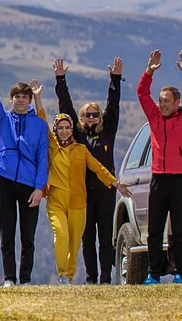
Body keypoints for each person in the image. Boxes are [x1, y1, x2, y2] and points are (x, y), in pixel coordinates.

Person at [35, 55, 124, 282]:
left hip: (105, 192)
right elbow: (66, 107)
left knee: (105, 238)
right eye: (88, 115)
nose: (92, 117)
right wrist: (60, 79)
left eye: (95, 114)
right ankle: (91, 278)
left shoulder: (107, 132)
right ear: (82, 119)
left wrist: (115, 77)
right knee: (86, 238)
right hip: (82, 193)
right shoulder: (79, 136)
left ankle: (105, 278)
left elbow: (113, 105)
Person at [0, 48, 51, 286]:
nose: (20, 100)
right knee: (7, 234)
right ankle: (9, 278)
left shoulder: (38, 125)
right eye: (17, 96)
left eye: (25, 97)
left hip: (29, 185)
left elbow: (42, 158)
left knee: (28, 236)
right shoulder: (4, 119)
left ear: (29, 101)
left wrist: (40, 189)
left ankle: (25, 279)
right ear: (12, 99)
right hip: (5, 182)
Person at [137, 49, 182, 284]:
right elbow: (141, 92)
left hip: (180, 180)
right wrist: (149, 71)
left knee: (179, 231)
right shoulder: (155, 117)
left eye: (166, 101)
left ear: (177, 102)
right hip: (159, 179)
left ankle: (179, 273)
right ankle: (153, 274)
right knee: (155, 231)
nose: (161, 104)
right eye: (160, 101)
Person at [40, 110, 129, 283]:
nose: (64, 131)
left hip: (78, 202)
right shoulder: (51, 146)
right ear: (56, 130)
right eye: (60, 128)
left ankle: (70, 277)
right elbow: (43, 123)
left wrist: (115, 183)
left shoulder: (81, 150)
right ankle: (62, 273)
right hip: (56, 200)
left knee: (74, 243)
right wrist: (38, 99)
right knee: (62, 235)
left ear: (72, 129)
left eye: (67, 128)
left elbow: (97, 167)